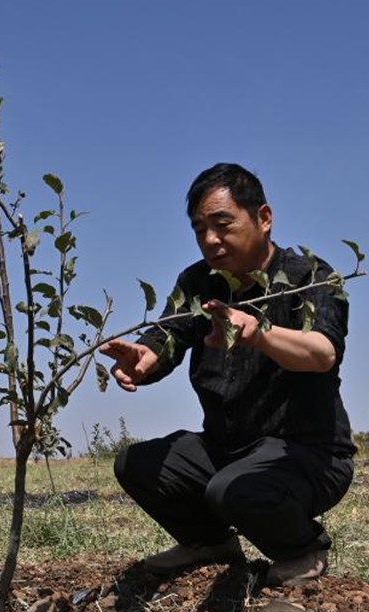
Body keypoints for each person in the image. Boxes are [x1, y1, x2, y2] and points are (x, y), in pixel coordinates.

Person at [101, 163, 355, 585]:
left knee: (234, 489)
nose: (210, 240)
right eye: (199, 229)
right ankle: (209, 543)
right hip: (228, 449)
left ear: (264, 218)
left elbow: (323, 353)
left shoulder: (308, 276)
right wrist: (144, 359)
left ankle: (304, 548)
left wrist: (259, 333)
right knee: (137, 464)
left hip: (308, 454)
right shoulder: (199, 282)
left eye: (222, 224)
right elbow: (169, 334)